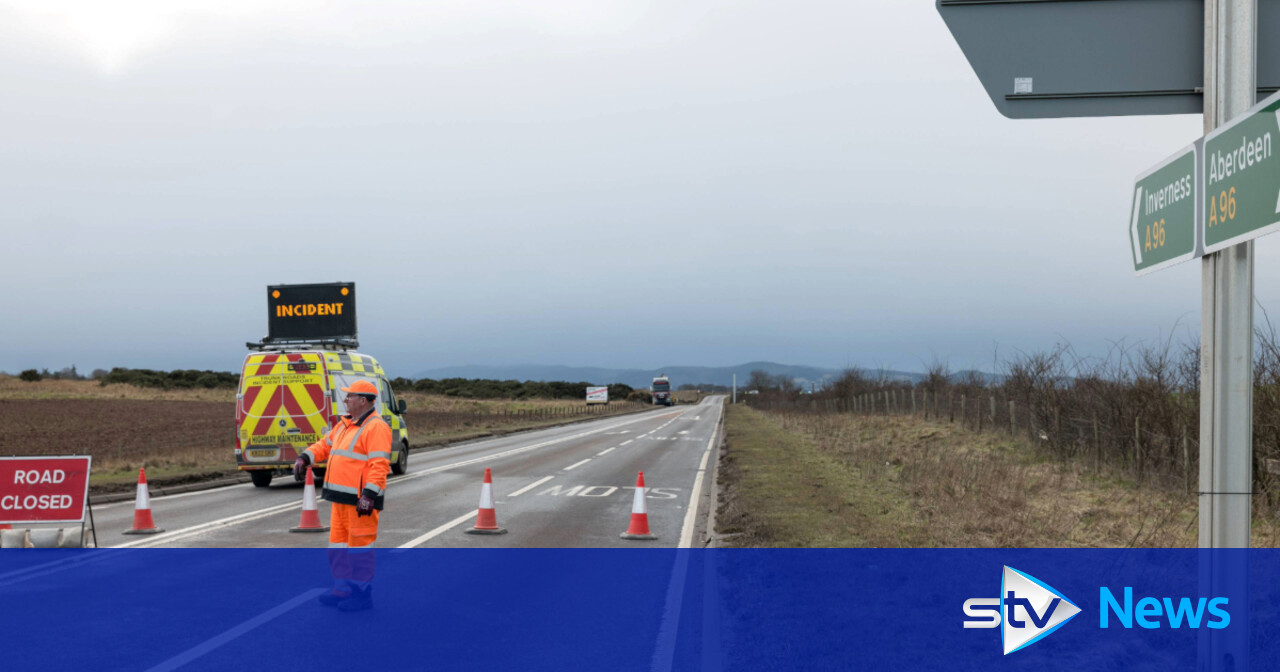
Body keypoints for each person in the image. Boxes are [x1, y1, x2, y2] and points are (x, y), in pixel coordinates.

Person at [294, 379, 391, 611]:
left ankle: (362, 596)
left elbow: (380, 464)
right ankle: (342, 588)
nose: (346, 400)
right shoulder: (345, 425)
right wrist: (305, 457)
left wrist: (369, 494)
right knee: (337, 546)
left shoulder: (376, 427)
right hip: (340, 498)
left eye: (350, 396)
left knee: (359, 549)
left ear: (364, 401)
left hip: (361, 501)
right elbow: (324, 445)